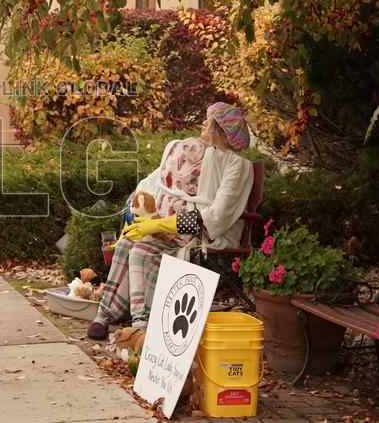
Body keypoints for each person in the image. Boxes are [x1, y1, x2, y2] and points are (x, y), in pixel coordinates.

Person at [86, 102, 254, 340]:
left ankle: (141, 324)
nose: (204, 122)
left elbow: (218, 215)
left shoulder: (237, 165)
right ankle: (105, 314)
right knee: (125, 244)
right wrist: (133, 212)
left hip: (199, 234)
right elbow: (155, 181)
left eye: (210, 120)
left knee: (141, 250)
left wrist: (159, 225)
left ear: (221, 129)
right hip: (167, 227)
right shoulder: (189, 150)